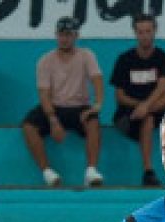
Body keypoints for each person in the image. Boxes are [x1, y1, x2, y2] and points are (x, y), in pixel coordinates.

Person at [21, 17, 105, 188]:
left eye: (68, 34)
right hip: (55, 107)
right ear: (56, 35)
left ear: (76, 36)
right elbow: (44, 94)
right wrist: (53, 120)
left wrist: (97, 105)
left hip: (79, 107)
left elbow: (97, 80)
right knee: (28, 126)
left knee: (94, 122)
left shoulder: (86, 56)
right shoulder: (45, 60)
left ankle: (91, 171)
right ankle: (48, 172)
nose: (64, 38)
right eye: (61, 34)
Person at [109, 14, 165, 187]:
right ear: (135, 33)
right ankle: (148, 171)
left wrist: (146, 106)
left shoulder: (162, 57)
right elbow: (120, 96)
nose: (145, 36)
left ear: (155, 31)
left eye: (148, 31)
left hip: (153, 107)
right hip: (129, 113)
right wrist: (139, 107)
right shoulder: (124, 59)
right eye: (141, 32)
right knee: (147, 118)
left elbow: (162, 87)